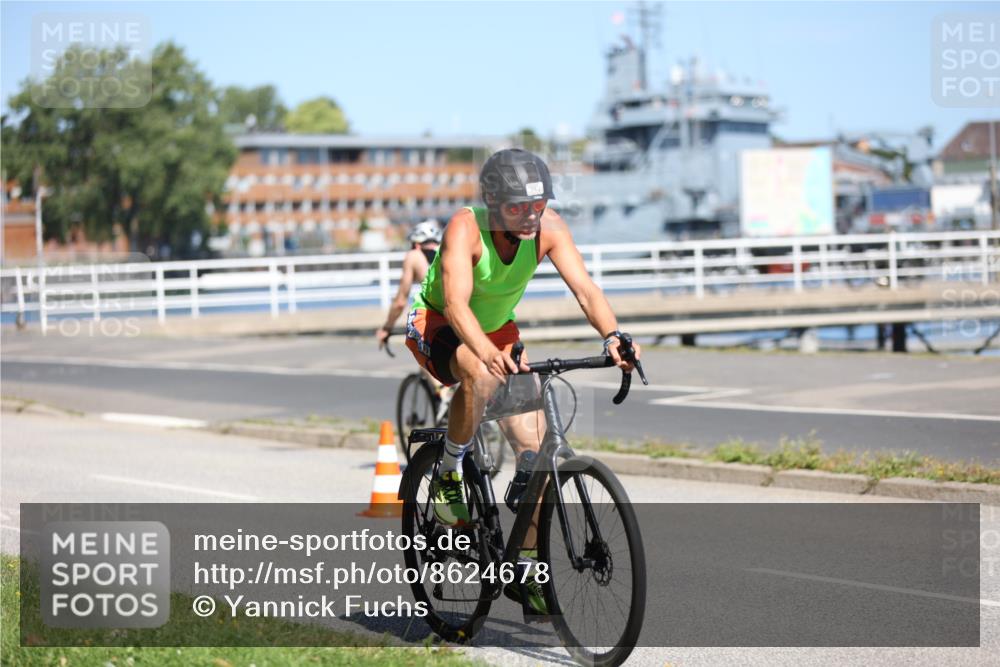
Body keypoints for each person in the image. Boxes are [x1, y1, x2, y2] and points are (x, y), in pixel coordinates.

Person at [403, 148, 639, 614]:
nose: (530, 217)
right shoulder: (465, 228)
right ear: (491, 200)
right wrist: (485, 353)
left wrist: (613, 335)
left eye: (537, 205)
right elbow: (454, 305)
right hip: (440, 324)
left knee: (538, 456)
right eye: (517, 207)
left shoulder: (547, 228)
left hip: (499, 331)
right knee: (475, 368)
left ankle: (525, 565)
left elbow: (586, 290)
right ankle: (450, 471)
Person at [375, 220, 442, 349]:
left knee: (427, 361)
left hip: (438, 315)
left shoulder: (414, 256)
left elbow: (400, 302)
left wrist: (387, 327)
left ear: (416, 244)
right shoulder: (451, 252)